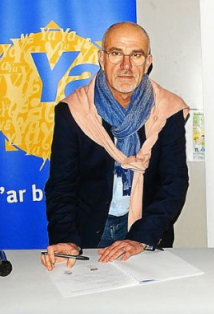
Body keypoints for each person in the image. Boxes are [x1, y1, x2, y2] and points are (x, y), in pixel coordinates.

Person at [41, 22, 189, 271]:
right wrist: (65, 237)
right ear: (102, 58)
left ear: (148, 61)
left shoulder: (168, 110)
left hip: (146, 231)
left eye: (136, 55)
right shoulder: (73, 111)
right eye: (116, 53)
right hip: (87, 234)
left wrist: (140, 237)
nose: (126, 66)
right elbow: (61, 186)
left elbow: (173, 183)